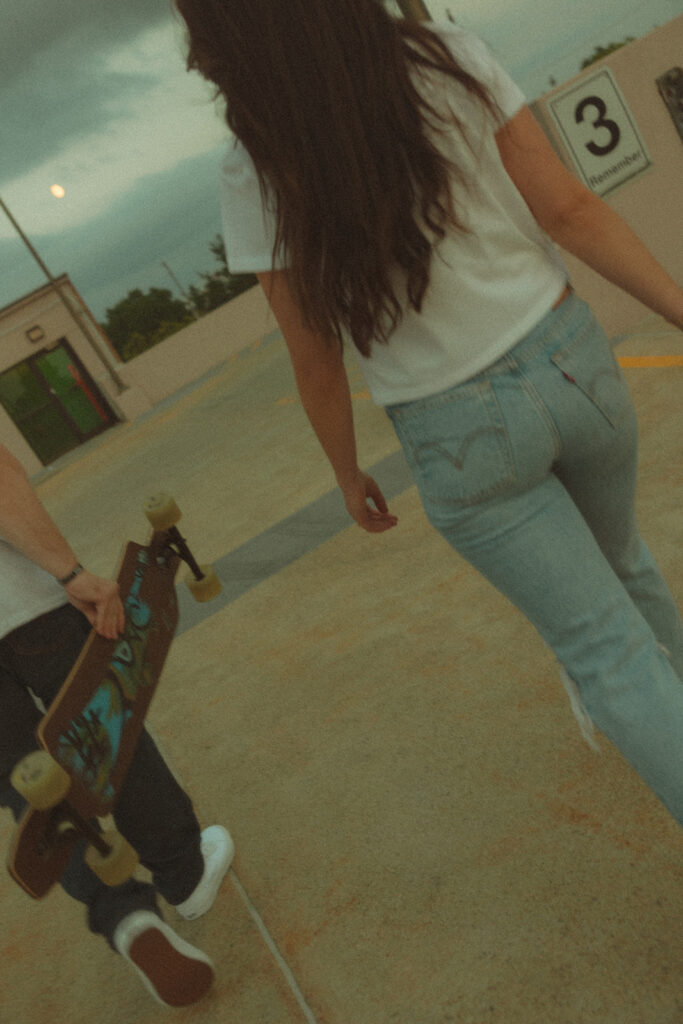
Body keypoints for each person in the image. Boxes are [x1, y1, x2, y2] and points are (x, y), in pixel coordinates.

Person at [175, 0, 683, 828]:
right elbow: (569, 212)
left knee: (606, 657)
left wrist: (346, 475)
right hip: (569, 361)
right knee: (625, 565)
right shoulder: (441, 55)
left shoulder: (255, 168)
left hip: (457, 436)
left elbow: (315, 356)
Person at [0, 445, 234, 1008]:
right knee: (105, 732)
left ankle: (126, 919)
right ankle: (185, 875)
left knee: (27, 785)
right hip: (21, 609)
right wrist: (72, 574)